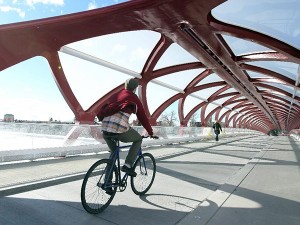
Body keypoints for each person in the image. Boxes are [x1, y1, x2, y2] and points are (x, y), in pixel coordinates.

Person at [97, 78, 158, 179]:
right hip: (118, 128)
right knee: (138, 139)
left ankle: (107, 182)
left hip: (105, 128)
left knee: (113, 152)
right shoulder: (133, 98)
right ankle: (128, 165)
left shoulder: (116, 95)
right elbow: (142, 117)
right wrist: (150, 132)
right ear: (135, 88)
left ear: (125, 86)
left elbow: (104, 107)